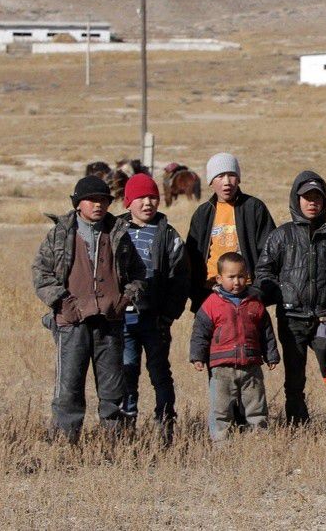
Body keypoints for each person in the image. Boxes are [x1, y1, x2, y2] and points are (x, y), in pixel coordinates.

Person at [31, 176, 145, 442]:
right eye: (92, 200)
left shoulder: (118, 233)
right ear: (78, 203)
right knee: (68, 389)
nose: (98, 205)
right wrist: (62, 303)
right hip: (71, 323)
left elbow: (138, 272)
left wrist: (126, 297)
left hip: (110, 321)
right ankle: (64, 444)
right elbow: (41, 272)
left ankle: (115, 446)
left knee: (113, 389)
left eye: (103, 200)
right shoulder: (60, 233)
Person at [255, 171, 326, 435]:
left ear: (325, 202)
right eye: (306, 198)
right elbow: (263, 273)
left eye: (317, 198)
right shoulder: (280, 236)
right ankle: (298, 428)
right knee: (294, 379)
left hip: (325, 320)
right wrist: (283, 293)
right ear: (296, 199)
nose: (312, 203)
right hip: (292, 321)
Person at [118, 173, 189, 440]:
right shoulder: (116, 232)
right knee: (127, 372)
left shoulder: (167, 235)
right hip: (123, 319)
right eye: (140, 198)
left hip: (156, 319)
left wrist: (169, 315)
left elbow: (179, 278)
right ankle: (126, 428)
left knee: (160, 372)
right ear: (128, 202)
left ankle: (165, 424)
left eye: (152, 197)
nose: (148, 203)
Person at [189, 252, 279, 443]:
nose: (236, 282)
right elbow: (200, 333)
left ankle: (259, 438)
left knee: (256, 405)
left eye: (241, 276)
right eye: (231, 277)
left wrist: (271, 355)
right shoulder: (211, 304)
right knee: (221, 407)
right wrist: (198, 356)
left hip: (251, 365)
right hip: (222, 367)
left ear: (248, 277)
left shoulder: (255, 303)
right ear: (219, 278)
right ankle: (221, 441)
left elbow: (266, 332)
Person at [185, 153, 275, 313]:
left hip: (246, 292)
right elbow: (191, 258)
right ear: (210, 181)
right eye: (220, 176)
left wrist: (259, 290)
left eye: (232, 175)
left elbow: (270, 253)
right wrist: (196, 293)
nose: (227, 182)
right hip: (210, 291)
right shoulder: (202, 214)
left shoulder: (254, 208)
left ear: (239, 179)